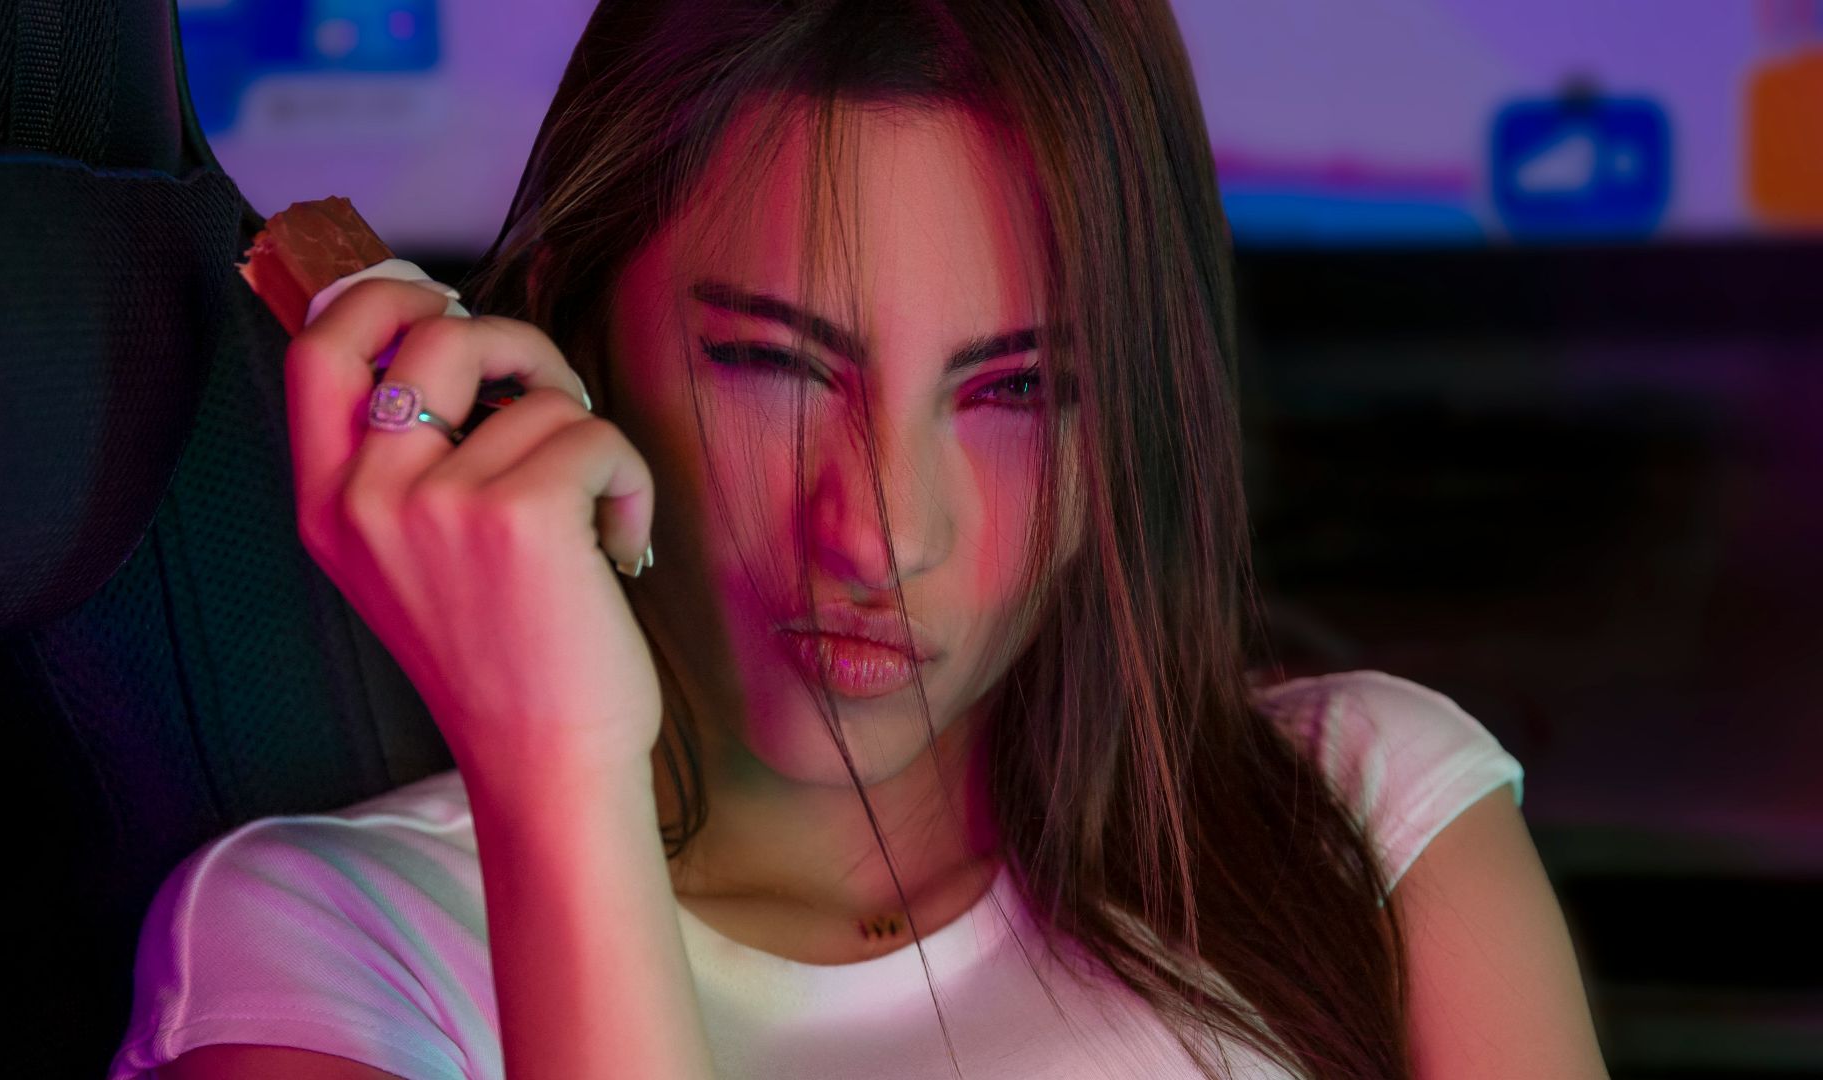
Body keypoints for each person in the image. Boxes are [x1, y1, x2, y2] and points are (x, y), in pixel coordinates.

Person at [108, 1, 1609, 1077]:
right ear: (574, 328)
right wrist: (559, 772)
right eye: (775, 364)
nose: (879, 533)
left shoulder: (1372, 820)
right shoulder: (324, 948)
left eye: (1018, 390)